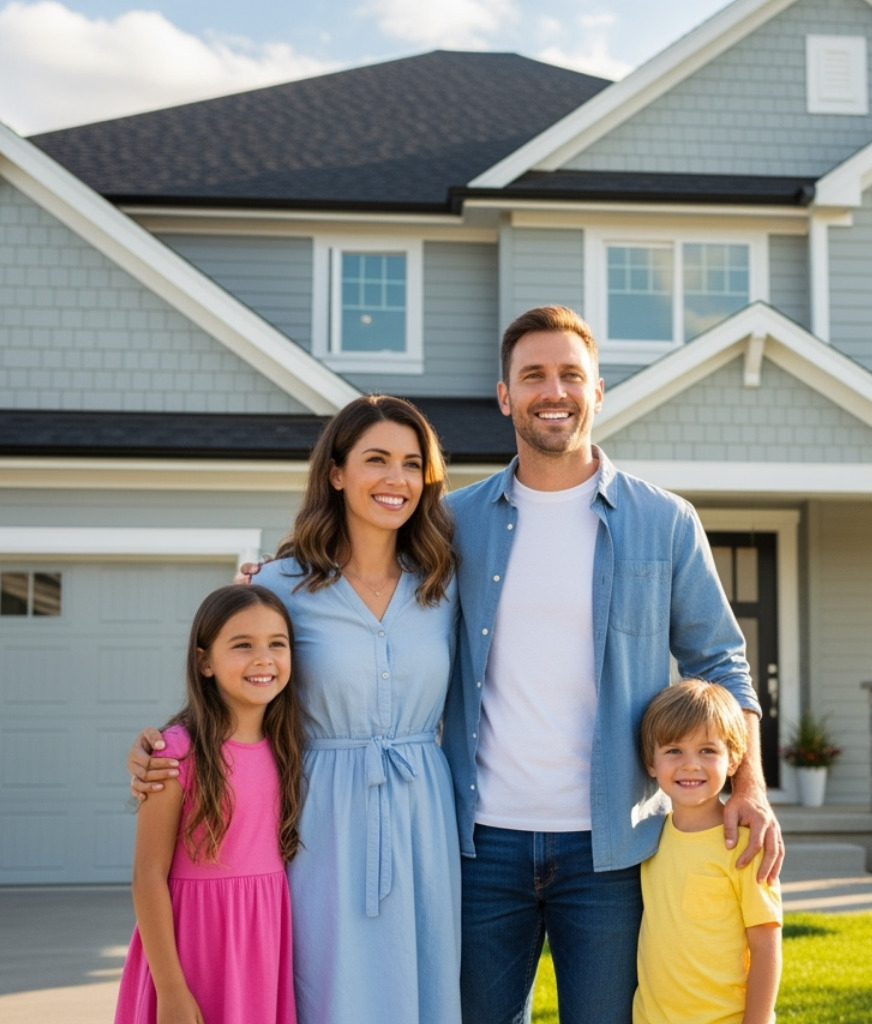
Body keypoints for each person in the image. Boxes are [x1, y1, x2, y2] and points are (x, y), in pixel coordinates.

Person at [443, 305, 784, 1024]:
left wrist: (748, 785)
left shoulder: (663, 521)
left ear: (600, 391)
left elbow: (722, 660)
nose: (553, 391)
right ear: (505, 395)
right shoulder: (452, 521)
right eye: (532, 375)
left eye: (571, 374)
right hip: (480, 844)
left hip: (615, 849)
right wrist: (274, 579)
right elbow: (358, 579)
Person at [131, 395, 462, 1024]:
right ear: (336, 472)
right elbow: (229, 685)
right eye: (376, 460)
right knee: (323, 986)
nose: (396, 479)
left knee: (422, 984)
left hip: (423, 810)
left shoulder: (442, 582)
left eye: (412, 464)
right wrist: (161, 747)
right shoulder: (280, 583)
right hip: (319, 815)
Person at [114, 584, 306, 1024]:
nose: (263, 659)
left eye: (277, 644)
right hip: (193, 949)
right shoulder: (176, 752)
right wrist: (171, 990)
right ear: (204, 662)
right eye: (242, 645)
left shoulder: (289, 748)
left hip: (262, 949)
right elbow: (147, 876)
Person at [633, 680, 782, 1024]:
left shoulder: (747, 846)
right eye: (673, 751)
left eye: (707, 751)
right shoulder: (649, 838)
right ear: (650, 762)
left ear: (734, 760)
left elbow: (766, 946)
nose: (690, 765)